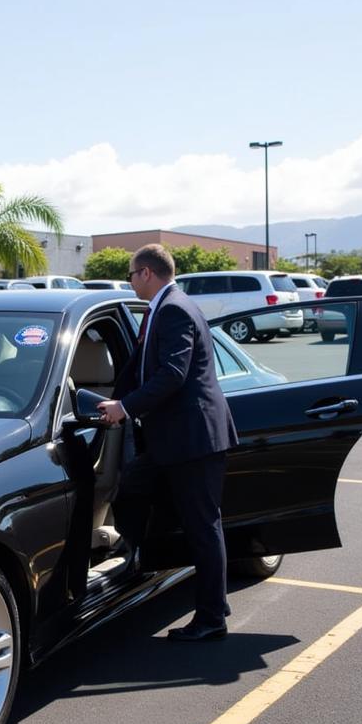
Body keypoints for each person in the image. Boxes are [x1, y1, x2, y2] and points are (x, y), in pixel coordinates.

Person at [97, 244, 238, 640]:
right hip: (172, 440)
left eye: (130, 275)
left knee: (203, 527)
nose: (129, 282)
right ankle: (133, 557)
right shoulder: (167, 306)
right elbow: (140, 364)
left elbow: (173, 374)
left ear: (146, 273)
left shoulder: (173, 308)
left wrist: (124, 407)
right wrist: (105, 398)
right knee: (133, 488)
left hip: (193, 440)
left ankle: (212, 619)